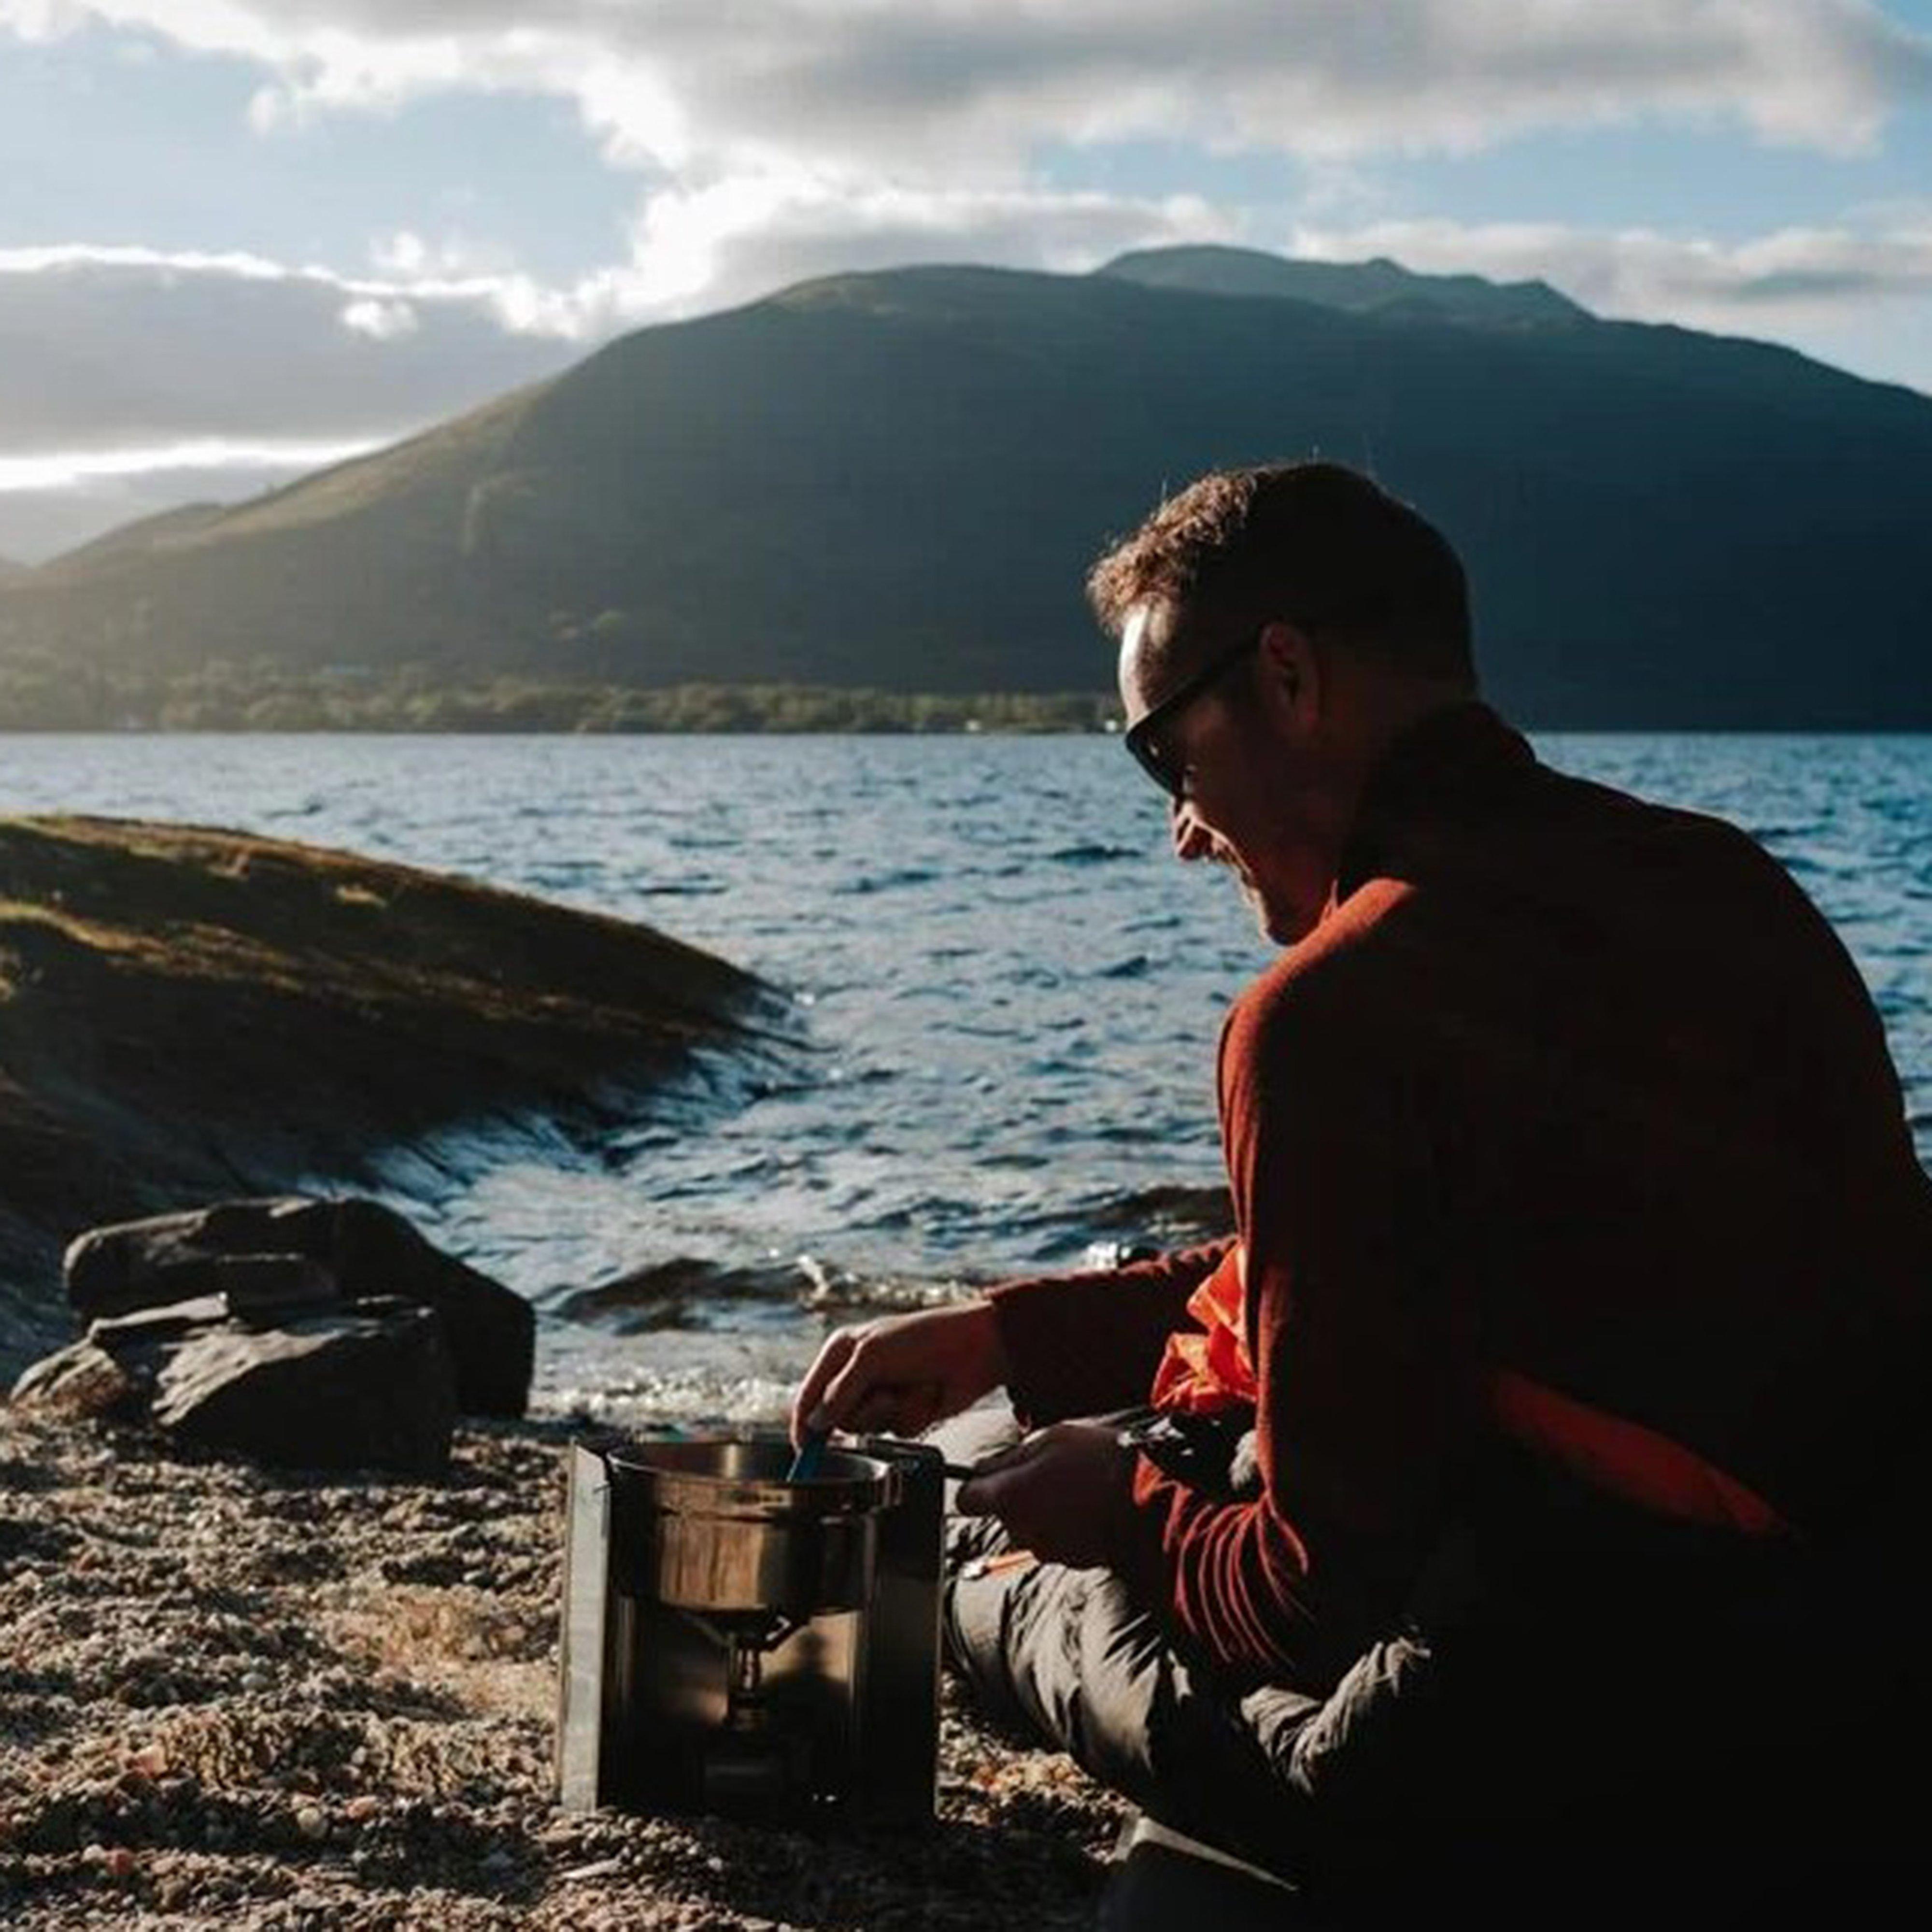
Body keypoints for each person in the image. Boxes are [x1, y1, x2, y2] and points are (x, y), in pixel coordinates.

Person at [791, 462, 1932, 1925]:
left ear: (1288, 678)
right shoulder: (1727, 883)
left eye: (1163, 752)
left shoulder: (1329, 1013)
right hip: (1873, 1677)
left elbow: (1303, 1596)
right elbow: (1419, 1260)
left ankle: (983, 1585)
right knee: (1102, 1443)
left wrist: (1120, 1514)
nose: (1179, 826)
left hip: (1600, 1763)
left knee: (1002, 1559)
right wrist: (1015, 1336)